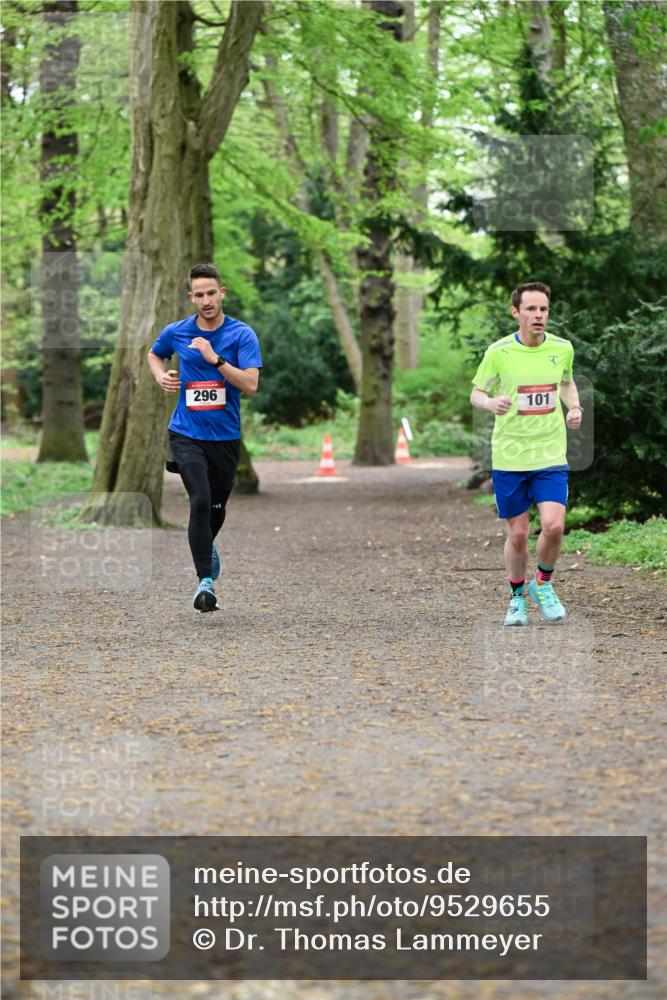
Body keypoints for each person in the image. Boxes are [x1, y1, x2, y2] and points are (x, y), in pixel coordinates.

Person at [147, 263, 261, 612]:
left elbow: (250, 385)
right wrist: (160, 375)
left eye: (212, 292)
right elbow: (154, 353)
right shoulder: (177, 332)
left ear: (222, 293)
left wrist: (215, 360)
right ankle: (205, 583)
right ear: (191, 297)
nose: (206, 300)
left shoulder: (242, 335)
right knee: (199, 499)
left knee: (216, 506)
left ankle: (206, 545)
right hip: (186, 432)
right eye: (199, 294)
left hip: (225, 437)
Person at [470, 281, 582, 626]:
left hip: (549, 453)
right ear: (515, 312)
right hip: (510, 455)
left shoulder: (562, 348)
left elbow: (564, 381)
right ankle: (517, 597)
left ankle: (543, 586)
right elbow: (476, 393)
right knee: (517, 534)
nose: (538, 315)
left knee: (554, 526)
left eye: (543, 309)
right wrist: (491, 402)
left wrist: (574, 407)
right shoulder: (499, 351)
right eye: (531, 309)